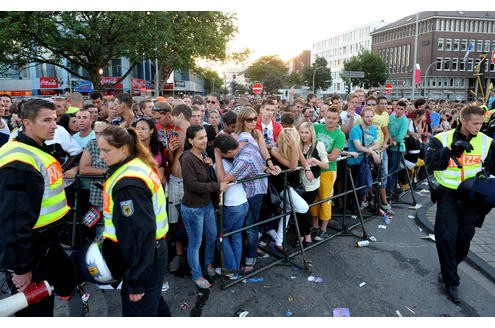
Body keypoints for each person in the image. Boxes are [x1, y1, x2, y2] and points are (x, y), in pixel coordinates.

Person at [0, 99, 76, 316]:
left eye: (54, 119)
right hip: (32, 250)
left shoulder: (35, 149)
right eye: (46, 120)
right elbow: (14, 220)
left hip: (46, 246)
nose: (54, 126)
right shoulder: (19, 161)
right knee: (35, 313)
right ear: (27, 123)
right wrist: (22, 268)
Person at [98, 125, 171, 316]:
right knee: (154, 306)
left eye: (106, 150)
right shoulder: (135, 166)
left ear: (123, 149)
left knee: (140, 311)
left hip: (144, 256)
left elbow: (141, 234)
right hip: (151, 253)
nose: (101, 156)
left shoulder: (128, 183)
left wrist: (136, 281)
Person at [425, 105, 495, 303]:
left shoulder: (487, 141)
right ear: (463, 120)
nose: (478, 127)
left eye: (481, 123)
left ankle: (450, 268)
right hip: (447, 195)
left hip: (473, 196)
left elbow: (492, 168)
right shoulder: (441, 139)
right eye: (475, 123)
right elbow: (431, 164)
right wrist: (449, 151)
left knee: (464, 240)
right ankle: (451, 281)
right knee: (446, 238)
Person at [179, 125, 228, 288]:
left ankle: (208, 265)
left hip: (206, 205)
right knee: (195, 243)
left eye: (205, 136)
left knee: (212, 236)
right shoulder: (186, 158)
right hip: (193, 208)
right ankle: (196, 275)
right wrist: (217, 186)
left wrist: (209, 164)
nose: (205, 140)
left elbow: (208, 178)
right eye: (200, 138)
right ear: (191, 140)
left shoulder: (203, 154)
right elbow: (192, 185)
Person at [311, 106, 345, 239]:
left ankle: (323, 228)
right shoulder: (317, 128)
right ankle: (314, 226)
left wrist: (315, 158)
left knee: (325, 200)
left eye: (334, 118)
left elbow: (333, 156)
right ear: (324, 116)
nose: (330, 120)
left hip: (328, 170)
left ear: (338, 119)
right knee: (314, 198)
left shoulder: (340, 135)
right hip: (314, 170)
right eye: (328, 117)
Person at [298, 122, 329, 246]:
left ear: (312, 133)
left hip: (312, 184)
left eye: (307, 132)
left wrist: (315, 160)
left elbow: (326, 165)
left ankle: (305, 235)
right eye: (301, 132)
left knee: (304, 210)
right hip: (298, 183)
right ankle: (304, 235)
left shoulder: (318, 145)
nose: (304, 135)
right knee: (299, 211)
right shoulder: (298, 145)